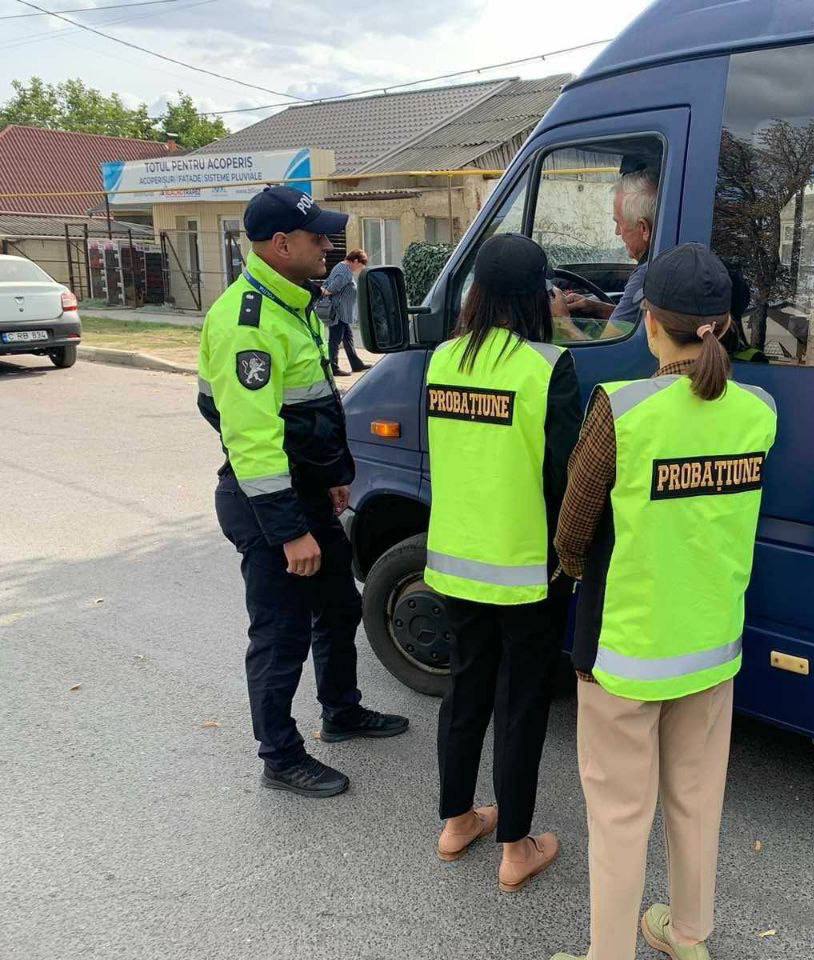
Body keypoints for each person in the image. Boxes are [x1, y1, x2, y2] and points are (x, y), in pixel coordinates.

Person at [551, 243, 778, 960]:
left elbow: (572, 531)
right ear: (726, 325)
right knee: (697, 800)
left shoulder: (621, 409)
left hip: (626, 651)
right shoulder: (759, 410)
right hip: (711, 645)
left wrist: (577, 570)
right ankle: (687, 936)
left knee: (620, 815)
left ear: (650, 321)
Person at [197, 185, 408, 799]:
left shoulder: (292, 304)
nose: (328, 247)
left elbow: (313, 410)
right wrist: (291, 532)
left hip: (307, 494)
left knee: (338, 608)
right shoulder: (248, 323)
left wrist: (334, 475)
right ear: (281, 244)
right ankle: (280, 756)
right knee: (280, 633)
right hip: (269, 507)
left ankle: (341, 711)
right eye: (318, 237)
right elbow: (253, 439)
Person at [426, 233, 582, 892]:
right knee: (520, 705)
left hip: (456, 561)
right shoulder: (548, 366)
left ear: (478, 292)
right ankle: (516, 847)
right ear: (536, 296)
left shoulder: (442, 359)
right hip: (524, 572)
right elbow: (565, 478)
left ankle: (457, 821)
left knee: (465, 690)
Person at [562, 167, 658, 340]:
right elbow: (636, 322)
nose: (617, 232)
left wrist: (562, 321)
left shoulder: (647, 276)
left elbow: (606, 349)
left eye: (619, 223)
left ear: (643, 228)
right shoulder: (663, 263)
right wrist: (596, 308)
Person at [320, 249, 370, 376]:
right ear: (355, 261)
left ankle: (356, 364)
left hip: (343, 312)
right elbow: (331, 288)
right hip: (339, 312)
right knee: (335, 340)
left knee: (348, 338)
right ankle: (333, 367)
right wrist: (324, 292)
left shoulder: (341, 267)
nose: (359, 269)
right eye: (360, 266)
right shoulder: (345, 272)